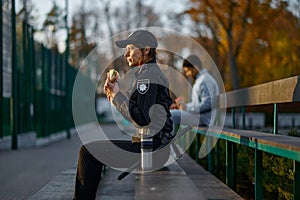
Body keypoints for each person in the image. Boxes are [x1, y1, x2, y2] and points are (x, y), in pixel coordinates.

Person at [73, 30, 174, 200]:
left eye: (130, 48)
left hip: (151, 151)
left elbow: (142, 117)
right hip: (154, 148)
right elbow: (137, 113)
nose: (126, 54)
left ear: (146, 49)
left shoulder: (148, 76)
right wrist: (115, 95)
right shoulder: (147, 73)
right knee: (90, 151)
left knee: (88, 151)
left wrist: (118, 96)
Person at [170, 55, 219, 130]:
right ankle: (169, 139)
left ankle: (168, 140)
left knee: (170, 115)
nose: (187, 74)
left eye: (188, 70)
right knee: (171, 113)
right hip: (200, 117)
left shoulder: (205, 80)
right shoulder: (201, 79)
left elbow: (208, 104)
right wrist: (182, 107)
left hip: (204, 119)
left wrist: (186, 107)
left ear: (195, 67)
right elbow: (197, 104)